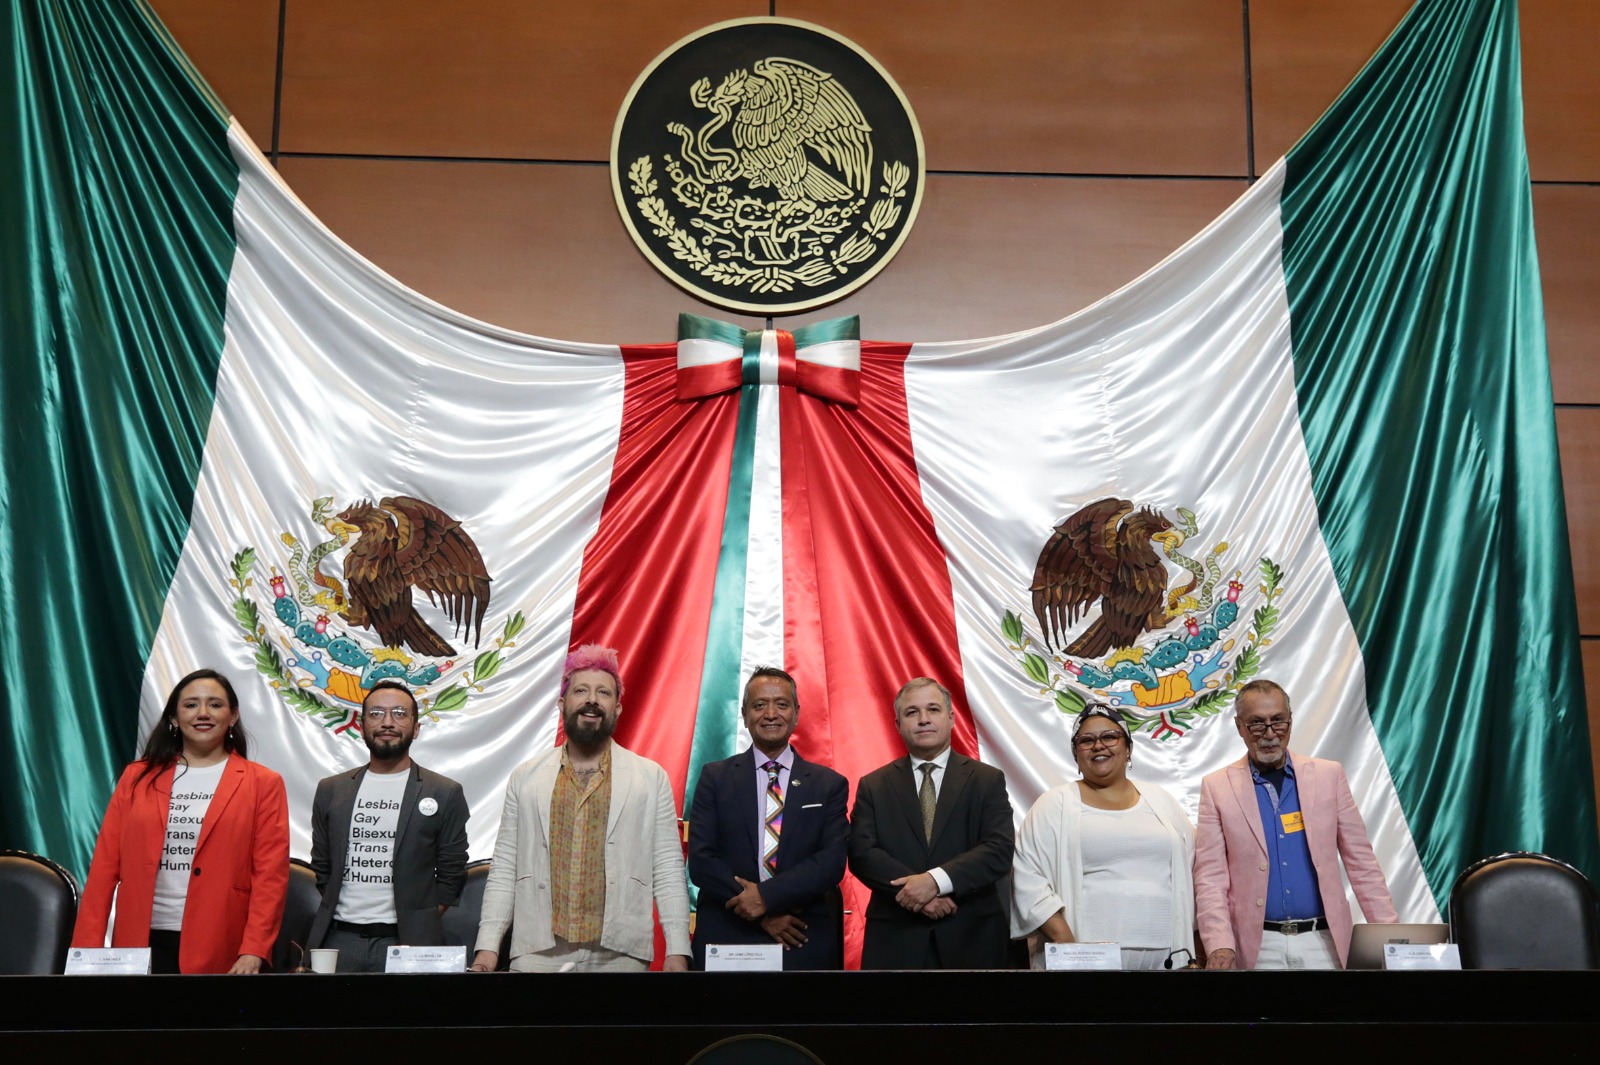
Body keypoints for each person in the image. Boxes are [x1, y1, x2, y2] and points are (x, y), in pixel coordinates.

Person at [472, 644, 690, 972]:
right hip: (537, 951)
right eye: (581, 690)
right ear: (563, 704)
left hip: (620, 953)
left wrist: (677, 948)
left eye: (603, 692)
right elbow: (505, 868)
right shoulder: (526, 777)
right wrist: (488, 947)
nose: (592, 700)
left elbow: (668, 869)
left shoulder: (649, 777)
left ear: (617, 708)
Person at [72, 668, 289, 974]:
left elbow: (270, 877)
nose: (203, 713)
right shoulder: (137, 777)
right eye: (190, 704)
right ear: (174, 717)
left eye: (215, 704)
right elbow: (104, 868)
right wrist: (85, 951)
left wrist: (254, 950)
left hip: (222, 944)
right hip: (139, 943)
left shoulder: (263, 783)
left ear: (233, 716)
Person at [1194, 678, 1398, 969]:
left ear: (1290, 722)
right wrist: (1219, 944)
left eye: (1278, 721)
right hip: (1256, 948)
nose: (1269, 734)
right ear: (1239, 727)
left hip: (1324, 942)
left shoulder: (1329, 775)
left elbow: (1362, 864)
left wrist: (1391, 938)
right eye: (1257, 724)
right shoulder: (1216, 787)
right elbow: (1210, 877)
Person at [1010, 704, 1195, 970]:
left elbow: (1195, 870)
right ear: (1076, 755)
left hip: (1170, 957)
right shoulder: (1054, 804)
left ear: (1128, 748)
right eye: (1086, 740)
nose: (1098, 745)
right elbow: (1028, 878)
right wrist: (1067, 945)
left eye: (1109, 736)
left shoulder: (1162, 801)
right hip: (1086, 962)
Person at [848, 676, 1015, 969]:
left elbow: (998, 850)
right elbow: (862, 854)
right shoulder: (873, 785)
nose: (923, 719)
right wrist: (918, 894)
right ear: (898, 724)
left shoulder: (987, 780)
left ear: (951, 718)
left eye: (933, 709)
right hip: (896, 939)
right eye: (912, 712)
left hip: (973, 938)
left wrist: (935, 882)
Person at [688, 667, 849, 969]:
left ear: (796, 713)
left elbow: (831, 862)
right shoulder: (715, 777)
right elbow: (701, 860)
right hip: (728, 933)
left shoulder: (829, 784)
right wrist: (759, 911)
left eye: (782, 704)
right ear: (744, 715)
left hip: (800, 937)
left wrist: (766, 897)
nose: (771, 714)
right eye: (759, 705)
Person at [306, 680, 469, 971]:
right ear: (362, 726)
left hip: (410, 943)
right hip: (338, 938)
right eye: (376, 713)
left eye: (399, 713)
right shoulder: (331, 790)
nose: (387, 722)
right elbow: (322, 865)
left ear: (416, 728)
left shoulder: (444, 792)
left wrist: (419, 919)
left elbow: (452, 873)